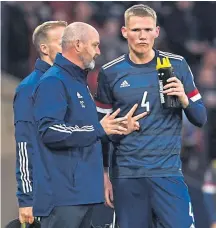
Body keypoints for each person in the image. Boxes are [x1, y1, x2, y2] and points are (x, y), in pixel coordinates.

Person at [95, 4, 207, 228]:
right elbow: (101, 130)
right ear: (125, 32)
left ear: (156, 31)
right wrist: (105, 173)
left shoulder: (176, 65)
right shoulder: (110, 72)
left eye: (147, 30)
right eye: (136, 30)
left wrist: (184, 99)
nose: (142, 36)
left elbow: (200, 118)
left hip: (167, 173)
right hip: (127, 175)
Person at [31, 22, 145, 228]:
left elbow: (89, 131)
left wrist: (116, 128)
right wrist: (99, 129)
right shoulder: (53, 81)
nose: (98, 51)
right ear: (77, 45)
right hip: (63, 197)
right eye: (94, 45)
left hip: (83, 194)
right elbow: (49, 130)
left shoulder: (79, 83)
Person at [13, 20, 67, 225]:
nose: (70, 47)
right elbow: (24, 145)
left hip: (77, 194)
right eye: (62, 42)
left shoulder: (74, 83)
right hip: (48, 196)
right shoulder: (29, 88)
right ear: (44, 48)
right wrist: (26, 198)